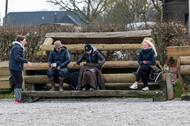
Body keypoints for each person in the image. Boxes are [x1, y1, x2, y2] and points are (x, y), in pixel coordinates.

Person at [9, 35, 32, 104]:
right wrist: (26, 61)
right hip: (15, 68)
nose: (25, 42)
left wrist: (21, 68)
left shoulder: (17, 47)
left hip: (16, 68)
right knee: (18, 83)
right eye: (24, 41)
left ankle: (18, 98)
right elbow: (17, 58)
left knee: (19, 82)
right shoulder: (17, 48)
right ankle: (18, 99)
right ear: (20, 41)